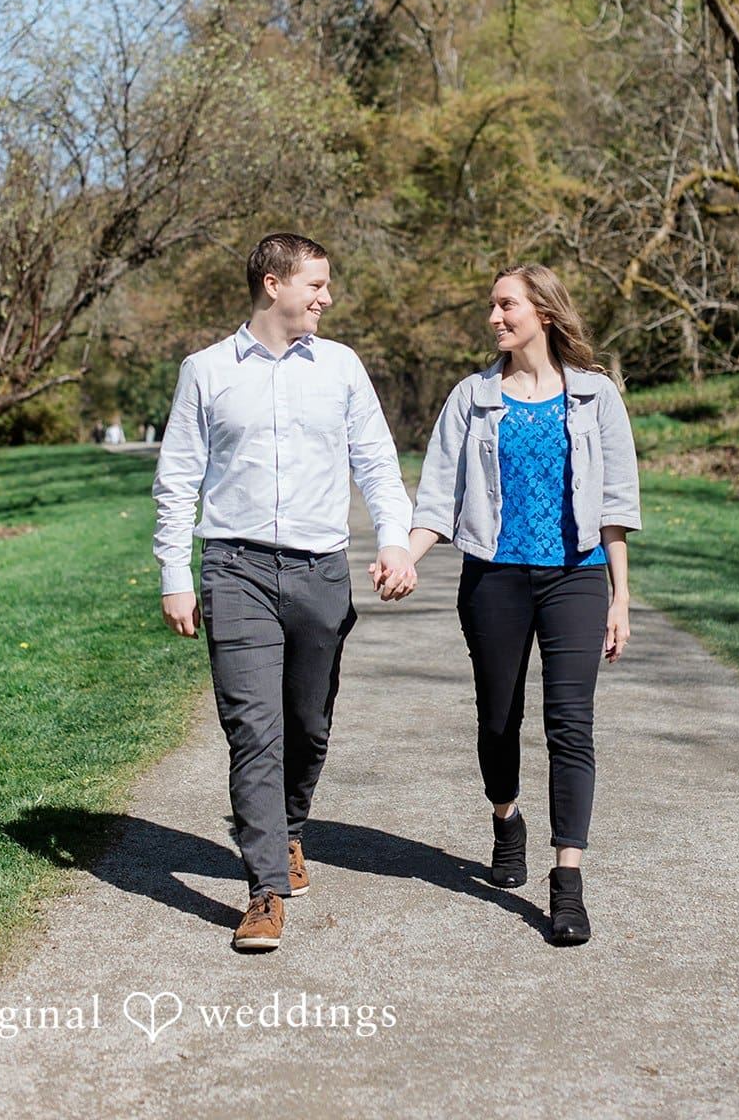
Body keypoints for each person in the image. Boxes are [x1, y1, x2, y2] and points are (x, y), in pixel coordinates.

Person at [153, 233, 416, 952]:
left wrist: (394, 538)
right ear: (273, 285)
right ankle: (264, 889)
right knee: (253, 731)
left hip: (318, 570)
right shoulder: (206, 371)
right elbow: (178, 478)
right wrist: (177, 573)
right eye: (316, 285)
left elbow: (375, 462)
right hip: (234, 567)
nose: (326, 298)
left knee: (308, 724)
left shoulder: (340, 368)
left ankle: (290, 828)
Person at [403, 263, 640, 945]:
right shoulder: (472, 398)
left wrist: (621, 597)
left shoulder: (596, 396)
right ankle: (505, 818)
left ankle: (566, 883)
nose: (494, 317)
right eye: (491, 306)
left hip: (577, 576)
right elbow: (435, 495)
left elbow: (615, 506)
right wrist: (405, 558)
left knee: (570, 724)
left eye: (505, 304)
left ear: (542, 309)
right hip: (494, 578)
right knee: (498, 720)